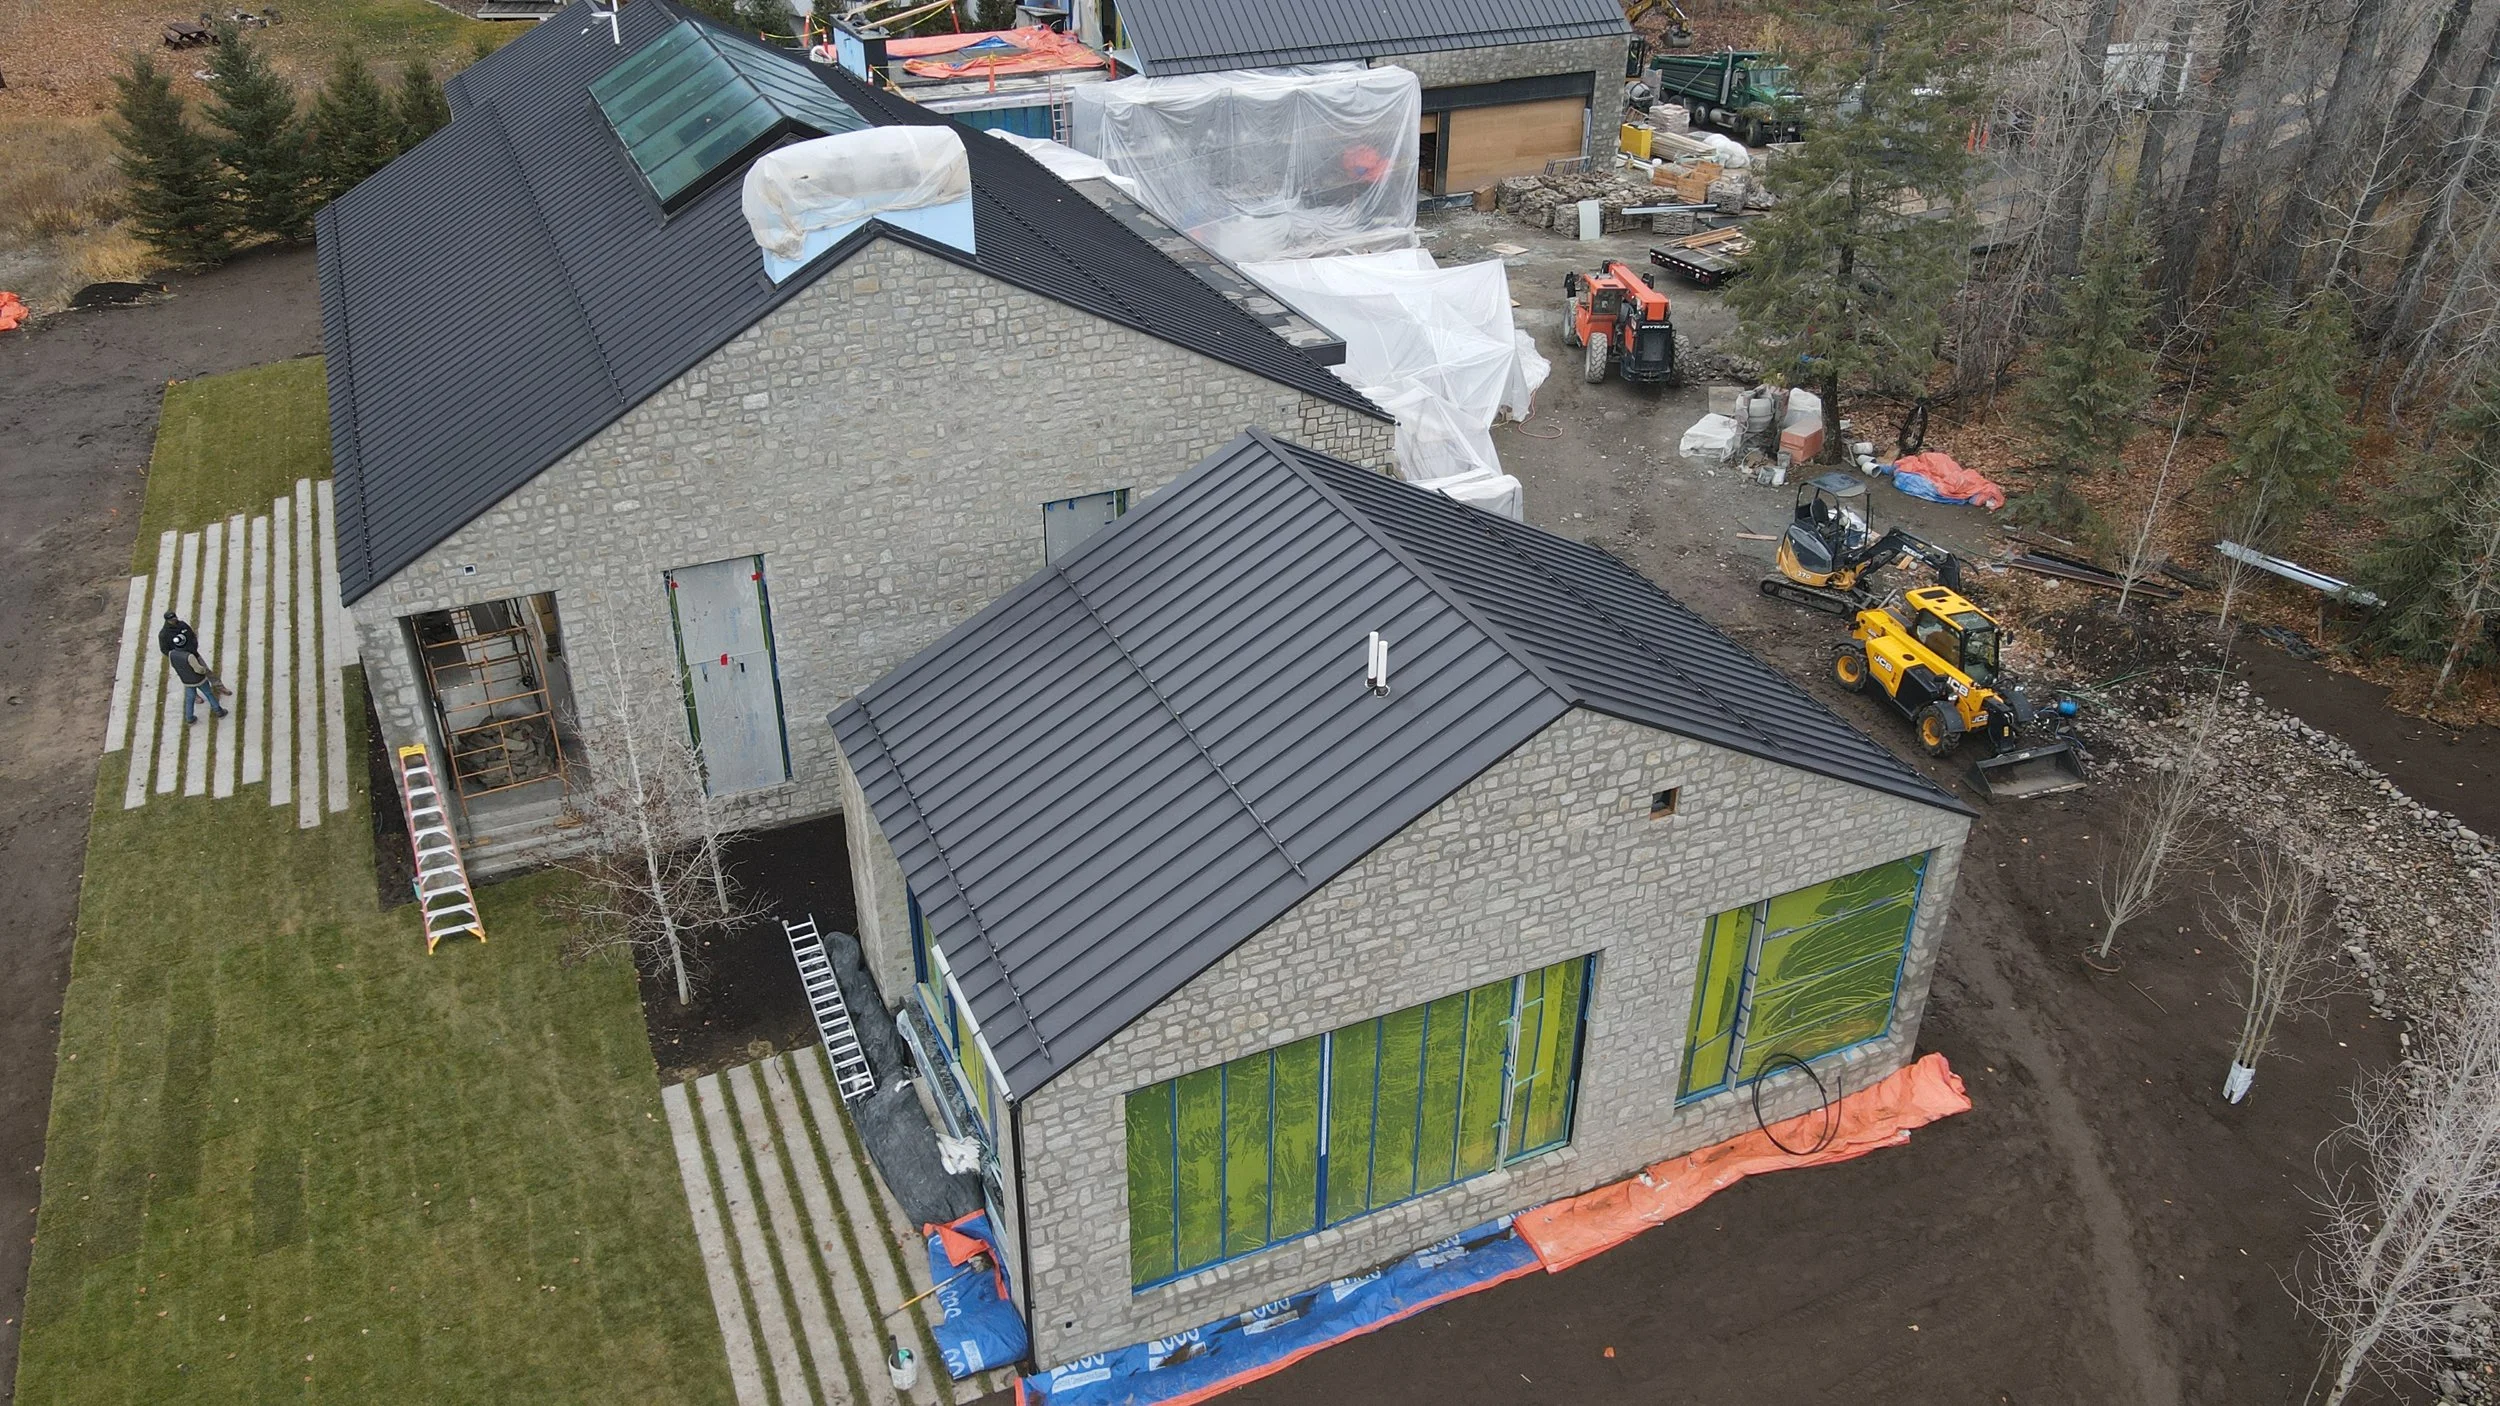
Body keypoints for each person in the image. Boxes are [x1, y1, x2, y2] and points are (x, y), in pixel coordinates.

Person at [160, 611, 226, 724]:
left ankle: (190, 717)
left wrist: (191, 649)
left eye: (174, 617)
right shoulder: (164, 634)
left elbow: (192, 636)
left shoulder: (182, 625)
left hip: (188, 661)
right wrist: (202, 670)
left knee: (189, 689)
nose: (174, 620)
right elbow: (165, 649)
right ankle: (218, 710)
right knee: (208, 692)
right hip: (188, 662)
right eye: (171, 619)